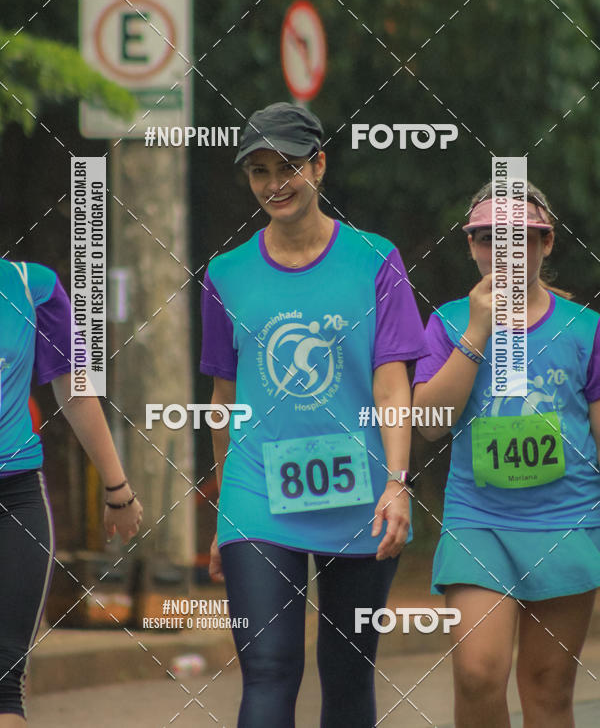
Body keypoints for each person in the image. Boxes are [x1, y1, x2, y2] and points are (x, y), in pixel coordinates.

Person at [200, 102, 429, 728]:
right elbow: (225, 401)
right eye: (259, 171)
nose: (274, 183)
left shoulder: (375, 261)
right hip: (256, 492)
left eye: (289, 166)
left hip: (360, 488)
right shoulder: (225, 274)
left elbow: (391, 386)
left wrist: (397, 483)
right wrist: (225, 510)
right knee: (270, 668)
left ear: (320, 164)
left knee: (348, 669)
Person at [413, 181, 600, 728]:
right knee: (476, 673)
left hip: (566, 521)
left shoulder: (585, 330)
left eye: (522, 239)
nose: (506, 253)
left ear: (546, 245)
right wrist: (477, 331)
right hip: (480, 521)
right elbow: (426, 426)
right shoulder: (448, 323)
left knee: (547, 691)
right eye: (491, 239)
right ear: (472, 247)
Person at [0, 259, 142, 725]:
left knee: (5, 683)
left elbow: (76, 388)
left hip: (15, 497)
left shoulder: (31, 285)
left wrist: (117, 487)